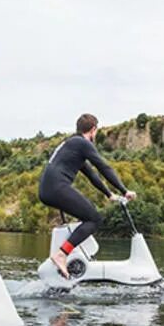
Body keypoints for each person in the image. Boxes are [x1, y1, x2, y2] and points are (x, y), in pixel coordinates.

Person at [38, 113, 136, 278]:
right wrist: (125, 190)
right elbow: (103, 167)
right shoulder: (83, 143)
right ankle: (61, 255)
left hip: (47, 190)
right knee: (94, 219)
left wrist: (109, 194)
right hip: (57, 187)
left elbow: (92, 175)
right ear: (93, 130)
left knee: (87, 217)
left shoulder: (72, 143)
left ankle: (69, 261)